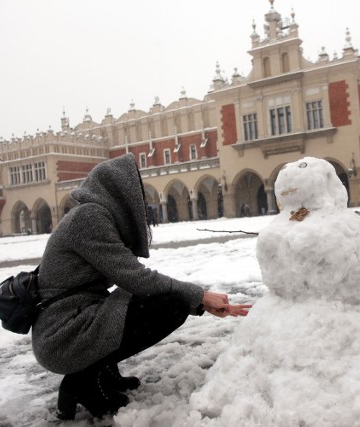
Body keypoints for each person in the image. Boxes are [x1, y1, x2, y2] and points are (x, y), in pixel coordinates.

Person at [31, 153, 251, 420]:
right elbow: (137, 278)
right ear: (119, 190)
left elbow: (132, 283)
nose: (140, 199)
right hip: (61, 337)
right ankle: (82, 381)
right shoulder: (88, 218)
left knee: (142, 299)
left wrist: (200, 301)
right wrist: (200, 296)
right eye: (135, 189)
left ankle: (103, 372)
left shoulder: (94, 215)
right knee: (169, 305)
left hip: (72, 323)